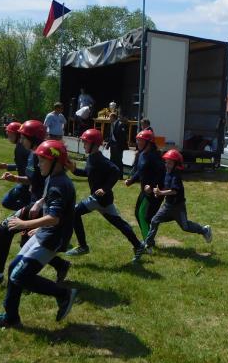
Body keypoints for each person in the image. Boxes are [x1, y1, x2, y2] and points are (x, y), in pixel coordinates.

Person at [0, 140, 77, 328]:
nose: (38, 164)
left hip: (52, 238)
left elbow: (54, 218)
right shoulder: (55, 177)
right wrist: (40, 202)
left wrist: (24, 223)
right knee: (13, 270)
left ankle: (64, 294)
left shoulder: (59, 184)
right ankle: (11, 317)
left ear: (56, 162)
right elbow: (50, 200)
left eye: (43, 161)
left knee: (20, 276)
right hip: (45, 232)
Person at [0, 120, 70, 285]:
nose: (21, 140)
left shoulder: (45, 157)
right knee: (7, 231)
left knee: (16, 236)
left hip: (41, 207)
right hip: (33, 204)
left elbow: (54, 187)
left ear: (33, 138)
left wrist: (40, 206)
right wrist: (15, 178)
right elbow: (33, 179)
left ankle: (10, 278)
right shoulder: (34, 155)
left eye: (24, 137)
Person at [65, 129, 144, 261]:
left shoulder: (100, 159)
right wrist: (74, 170)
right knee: (119, 223)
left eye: (86, 143)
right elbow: (88, 173)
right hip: (103, 200)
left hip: (99, 198)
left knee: (74, 212)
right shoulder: (91, 158)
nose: (83, 145)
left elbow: (116, 171)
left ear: (94, 144)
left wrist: (105, 188)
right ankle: (138, 245)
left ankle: (83, 246)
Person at [138, 149, 212, 258]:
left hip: (178, 207)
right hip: (167, 206)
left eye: (170, 163)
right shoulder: (167, 173)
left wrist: (161, 192)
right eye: (166, 162)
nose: (167, 165)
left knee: (185, 227)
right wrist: (154, 190)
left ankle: (204, 230)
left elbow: (174, 191)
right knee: (154, 220)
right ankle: (148, 244)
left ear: (176, 164)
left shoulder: (176, 176)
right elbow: (164, 187)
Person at [125, 129, 165, 243]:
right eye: (138, 140)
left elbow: (161, 174)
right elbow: (139, 171)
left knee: (143, 215)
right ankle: (148, 239)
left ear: (148, 142)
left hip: (154, 192)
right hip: (145, 191)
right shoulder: (142, 154)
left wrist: (152, 186)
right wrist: (131, 180)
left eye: (140, 140)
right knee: (138, 214)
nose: (138, 143)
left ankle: (148, 242)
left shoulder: (154, 157)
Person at [0, 121, 31, 211]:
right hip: (24, 182)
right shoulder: (20, 147)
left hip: (26, 183)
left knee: (7, 202)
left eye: (9, 133)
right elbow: (21, 165)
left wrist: (15, 177)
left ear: (17, 134)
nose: (7, 135)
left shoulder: (21, 148)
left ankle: (27, 211)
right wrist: (7, 166)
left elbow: (27, 167)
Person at [106, 112, 128, 179]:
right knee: (112, 160)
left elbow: (123, 137)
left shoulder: (120, 124)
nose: (109, 119)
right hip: (113, 145)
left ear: (113, 117)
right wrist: (108, 144)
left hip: (118, 146)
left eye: (110, 117)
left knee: (118, 161)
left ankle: (120, 176)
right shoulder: (112, 125)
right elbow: (111, 136)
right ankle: (113, 174)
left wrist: (118, 145)